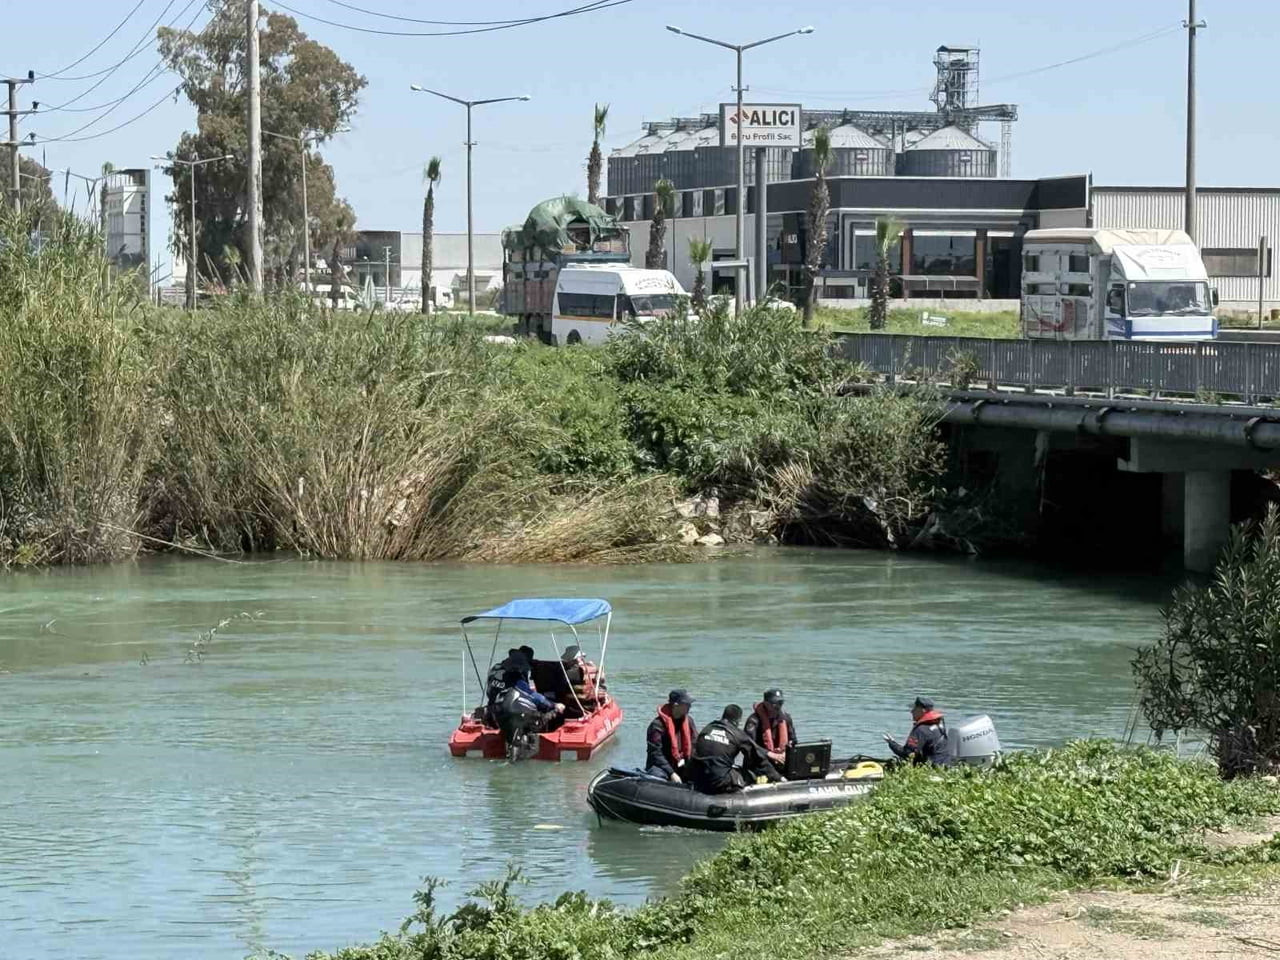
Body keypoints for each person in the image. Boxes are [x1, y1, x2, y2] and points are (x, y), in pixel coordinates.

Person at [690, 704, 783, 794]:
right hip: (719, 782)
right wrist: (778, 777)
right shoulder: (737, 734)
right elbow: (758, 759)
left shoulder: (707, 729)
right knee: (751, 775)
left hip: (699, 778)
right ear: (737, 720)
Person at [883, 696, 950, 766]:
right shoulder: (939, 727)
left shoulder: (921, 730)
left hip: (931, 770)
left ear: (923, 710)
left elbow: (907, 754)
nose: (911, 711)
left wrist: (891, 743)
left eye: (914, 708)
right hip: (945, 766)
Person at [646, 689, 695, 782]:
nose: (690, 707)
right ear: (676, 705)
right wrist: (672, 773)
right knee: (657, 776)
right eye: (687, 704)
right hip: (661, 766)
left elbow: (695, 744)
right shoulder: (657, 725)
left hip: (680, 763)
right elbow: (656, 753)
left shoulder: (689, 722)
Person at [743, 688, 797, 771]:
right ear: (766, 703)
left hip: (781, 761)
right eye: (775, 704)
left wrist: (786, 752)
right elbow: (748, 746)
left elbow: (793, 740)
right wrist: (770, 754)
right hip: (759, 763)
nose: (778, 706)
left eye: (781, 703)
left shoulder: (786, 718)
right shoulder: (754, 721)